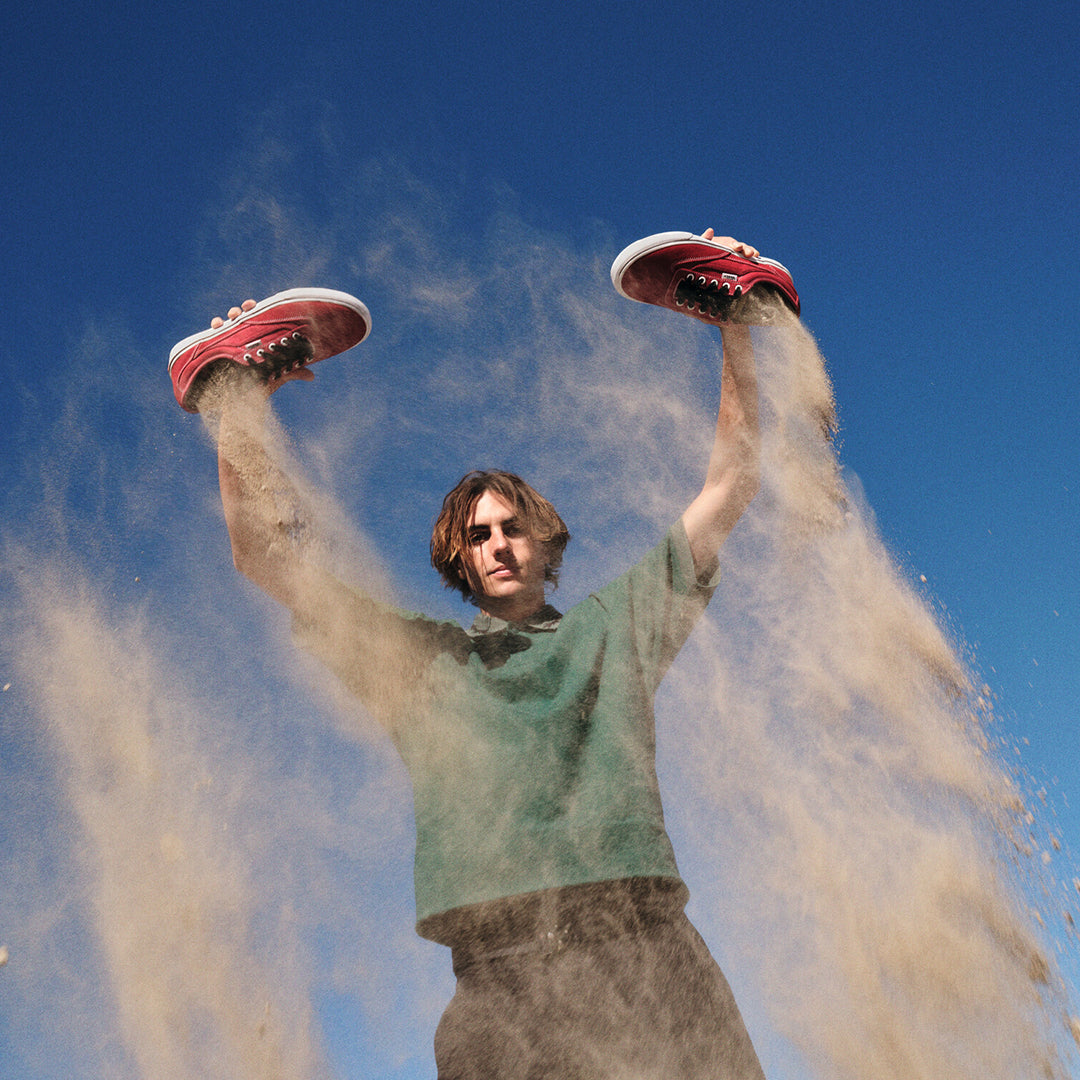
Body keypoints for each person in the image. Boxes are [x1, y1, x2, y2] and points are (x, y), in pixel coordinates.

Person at [169, 229, 801, 1079]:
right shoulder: (419, 664)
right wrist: (234, 405)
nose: (498, 544)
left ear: (546, 543)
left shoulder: (612, 629)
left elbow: (732, 485)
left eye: (513, 528)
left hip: (646, 955)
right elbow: (263, 557)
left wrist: (734, 323)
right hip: (501, 991)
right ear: (457, 560)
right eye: (478, 536)